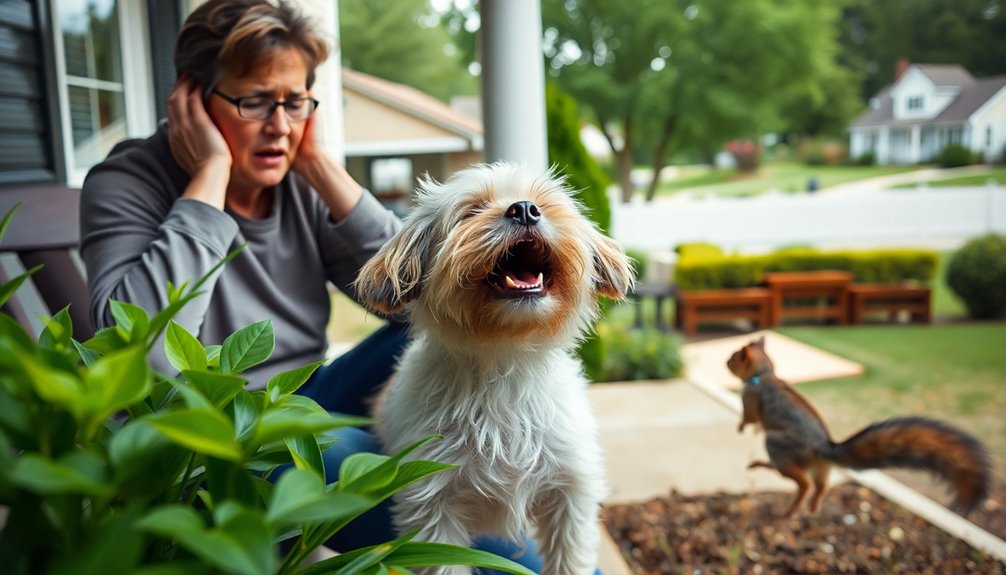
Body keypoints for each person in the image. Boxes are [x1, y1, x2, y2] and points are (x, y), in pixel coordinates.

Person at [78, 0, 551, 570]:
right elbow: (142, 356)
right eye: (255, 101)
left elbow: (415, 289)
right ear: (191, 101)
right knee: (356, 459)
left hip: (308, 400)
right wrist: (208, 179)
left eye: (295, 101)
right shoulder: (127, 183)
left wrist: (325, 170)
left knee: (446, 319)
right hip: (208, 436)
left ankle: (520, 470)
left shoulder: (298, 178)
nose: (280, 126)